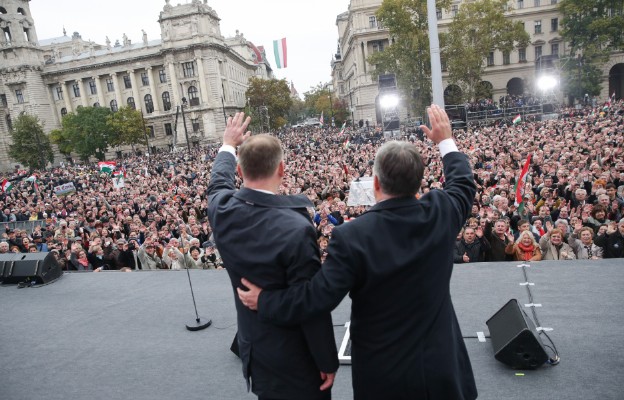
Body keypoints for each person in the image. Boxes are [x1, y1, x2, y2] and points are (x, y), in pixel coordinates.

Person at [238, 105, 478, 400]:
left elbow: (316, 298)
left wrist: (265, 300)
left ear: (375, 183)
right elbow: (463, 182)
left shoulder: (352, 236)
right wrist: (446, 140)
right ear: (419, 182)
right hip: (442, 367)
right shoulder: (442, 211)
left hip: (384, 375)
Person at [206, 113, 338, 399]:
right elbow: (309, 303)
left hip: (257, 352)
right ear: (282, 169)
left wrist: (228, 144)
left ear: (239, 173)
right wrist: (327, 359)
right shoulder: (295, 227)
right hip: (297, 359)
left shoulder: (222, 211)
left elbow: (217, 183)